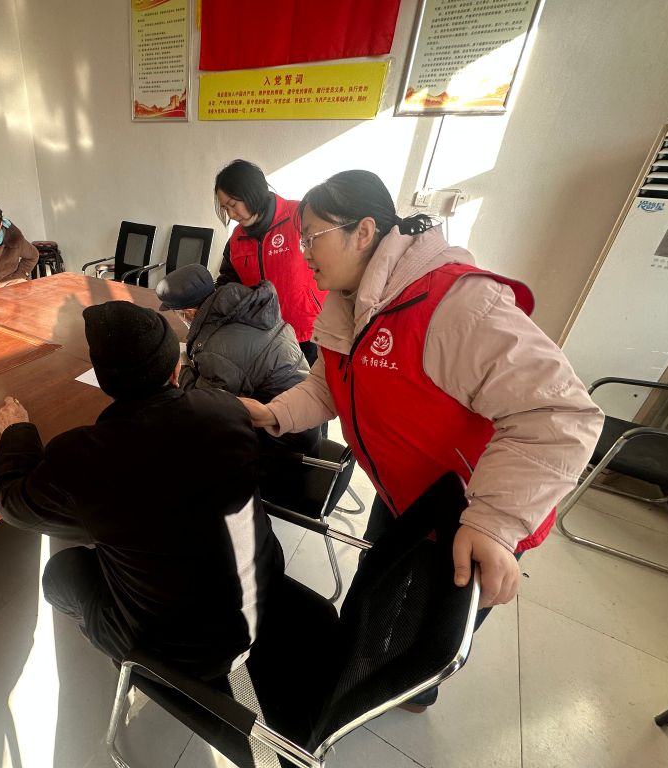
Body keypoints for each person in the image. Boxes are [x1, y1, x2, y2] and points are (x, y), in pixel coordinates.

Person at [240, 170, 603, 707]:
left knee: (424, 630)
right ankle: (362, 672)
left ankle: (403, 693)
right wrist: (273, 415)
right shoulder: (346, 302)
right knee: (375, 596)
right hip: (403, 496)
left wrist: (495, 521)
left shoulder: (453, 303)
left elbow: (561, 414)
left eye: (312, 237)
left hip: (471, 511)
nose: (303, 253)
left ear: (364, 232)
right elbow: (329, 385)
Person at [0, 300, 283, 678]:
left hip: (179, 653)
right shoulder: (227, 409)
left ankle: (134, 663)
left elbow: (10, 501)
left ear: (104, 381)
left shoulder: (84, 458)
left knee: (60, 573)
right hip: (268, 597)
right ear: (175, 369)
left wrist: (17, 430)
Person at [156, 263, 318, 457]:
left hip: (282, 445)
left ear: (188, 312)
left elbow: (205, 404)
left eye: (176, 312)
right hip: (304, 420)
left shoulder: (217, 350)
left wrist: (181, 368)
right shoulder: (249, 308)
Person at [214, 159, 326, 366]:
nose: (231, 214)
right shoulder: (237, 239)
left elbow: (331, 260)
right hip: (263, 337)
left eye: (233, 205)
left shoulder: (299, 216)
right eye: (225, 208)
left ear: (252, 192)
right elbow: (227, 283)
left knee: (308, 385)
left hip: (310, 334)